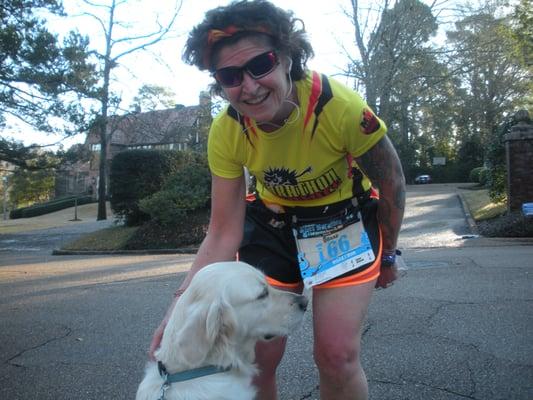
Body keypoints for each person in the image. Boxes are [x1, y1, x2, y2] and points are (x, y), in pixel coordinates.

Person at [149, 1, 406, 399]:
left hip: (342, 221)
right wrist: (178, 308)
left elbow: (392, 183)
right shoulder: (227, 131)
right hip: (272, 226)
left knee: (336, 356)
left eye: (261, 64)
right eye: (231, 75)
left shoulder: (339, 107)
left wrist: (388, 253)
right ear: (219, 83)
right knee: (255, 362)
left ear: (287, 57)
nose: (249, 86)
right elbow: (222, 232)